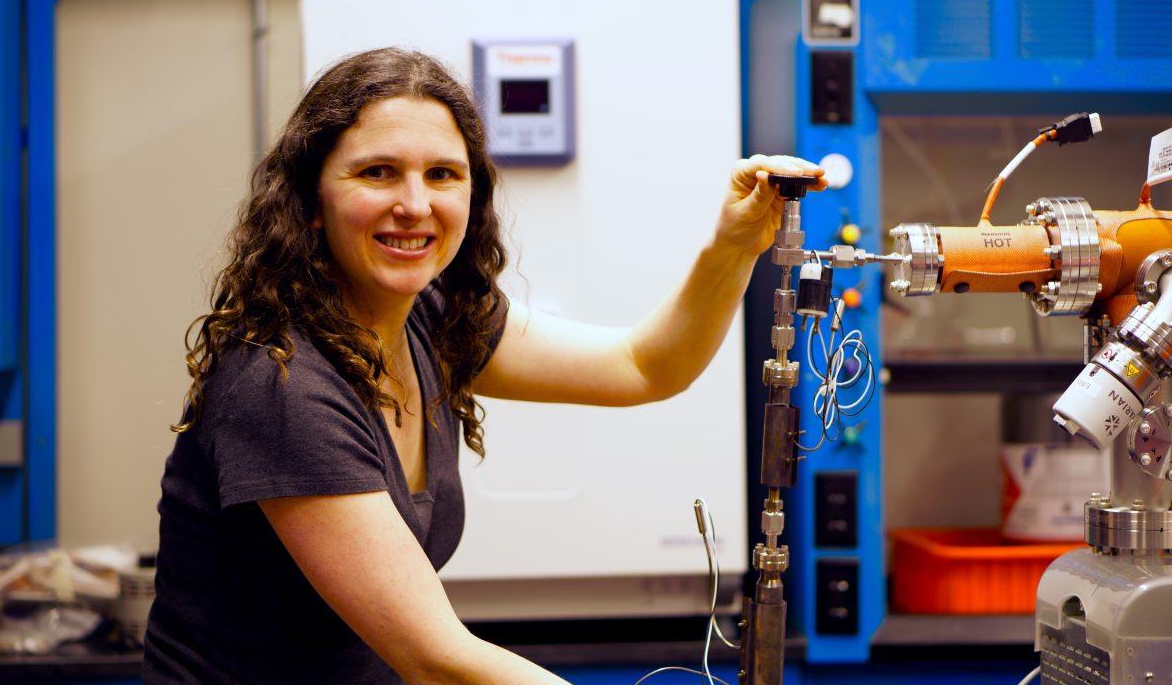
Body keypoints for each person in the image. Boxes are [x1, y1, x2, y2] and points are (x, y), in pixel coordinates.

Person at [141, 47, 825, 684]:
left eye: (442, 174)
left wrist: (736, 246)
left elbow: (643, 366)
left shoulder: (433, 318)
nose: (415, 204)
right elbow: (435, 658)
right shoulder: (283, 383)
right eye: (378, 172)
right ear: (311, 201)